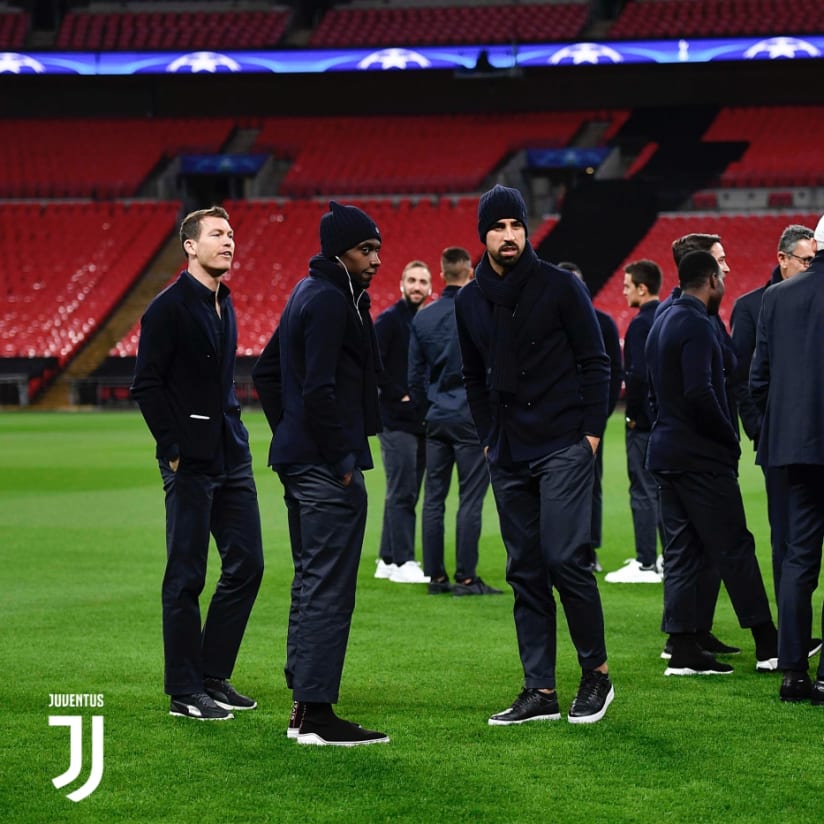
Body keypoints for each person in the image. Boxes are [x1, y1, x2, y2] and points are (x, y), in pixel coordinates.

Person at [455, 185, 614, 725]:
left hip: (564, 443)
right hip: (508, 450)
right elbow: (473, 376)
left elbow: (597, 362)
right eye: (498, 226)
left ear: (528, 231)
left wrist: (590, 436)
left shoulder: (560, 286)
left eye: (516, 226)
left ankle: (597, 675)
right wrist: (487, 437)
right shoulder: (469, 299)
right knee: (524, 568)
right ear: (484, 235)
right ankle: (540, 690)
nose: (508, 235)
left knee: (566, 558)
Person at [252, 201, 389, 746]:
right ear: (340, 252)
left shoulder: (306, 294)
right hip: (326, 468)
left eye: (378, 248)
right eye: (365, 249)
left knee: (312, 581)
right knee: (329, 587)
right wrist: (337, 460)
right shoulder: (331, 301)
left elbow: (266, 372)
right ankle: (315, 715)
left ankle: (303, 707)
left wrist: (292, 435)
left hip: (299, 460)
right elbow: (319, 390)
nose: (376, 259)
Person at [131, 206, 264, 722]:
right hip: (190, 461)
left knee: (248, 564)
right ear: (190, 246)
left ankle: (212, 675)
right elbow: (146, 384)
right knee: (186, 575)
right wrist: (173, 446)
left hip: (232, 453)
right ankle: (185, 691)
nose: (228, 242)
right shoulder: (166, 309)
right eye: (216, 235)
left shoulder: (223, 303)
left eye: (231, 235)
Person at [646, 249, 778, 676]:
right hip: (701, 457)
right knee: (735, 546)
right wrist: (728, 436)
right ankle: (768, 644)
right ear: (711, 281)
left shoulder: (663, 319)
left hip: (666, 452)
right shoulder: (698, 324)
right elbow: (700, 391)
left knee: (684, 550)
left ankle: (683, 646)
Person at [656, 232, 741, 660]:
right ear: (704, 269)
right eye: (720, 261)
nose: (727, 268)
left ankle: (694, 630)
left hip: (686, 446)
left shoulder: (691, 313)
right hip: (695, 450)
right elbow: (699, 390)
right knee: (692, 544)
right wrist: (728, 433)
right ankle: (682, 636)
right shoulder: (687, 317)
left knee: (697, 546)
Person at [750, 216, 824, 704]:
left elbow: (758, 381)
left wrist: (778, 434)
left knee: (797, 561)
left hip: (794, 452)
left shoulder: (776, 296)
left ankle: (793, 672)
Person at [731, 225, 817, 609]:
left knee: (797, 542)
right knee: (786, 538)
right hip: (779, 438)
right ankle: (790, 634)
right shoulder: (752, 306)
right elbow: (744, 379)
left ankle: (794, 643)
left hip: (794, 435)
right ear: (782, 259)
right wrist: (761, 429)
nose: (812, 267)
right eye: (807, 261)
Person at [408, 246, 500, 596]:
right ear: (470, 273)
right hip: (471, 416)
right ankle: (466, 577)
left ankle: (436, 577)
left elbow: (414, 376)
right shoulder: (482, 313)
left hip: (436, 416)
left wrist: (426, 408)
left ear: (442, 274)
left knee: (433, 497)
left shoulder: (423, 317)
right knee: (470, 498)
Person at [557, 261, 622, 573]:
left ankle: (589, 549)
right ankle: (559, 547)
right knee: (554, 483)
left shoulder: (603, 323)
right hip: (556, 418)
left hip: (589, 419)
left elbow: (613, 373)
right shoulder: (549, 326)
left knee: (591, 485)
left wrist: (600, 415)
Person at [604, 259, 663, 584]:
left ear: (642, 288)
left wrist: (634, 418)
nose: (624, 291)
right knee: (663, 491)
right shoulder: (669, 314)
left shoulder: (640, 323)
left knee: (642, 491)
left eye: (628, 286)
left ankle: (645, 563)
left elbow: (638, 375)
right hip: (666, 421)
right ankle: (669, 557)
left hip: (643, 423)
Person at [373, 260, 431, 584]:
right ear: (401, 283)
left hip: (420, 421)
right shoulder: (389, 321)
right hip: (396, 420)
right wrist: (399, 394)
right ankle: (405, 562)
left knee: (402, 491)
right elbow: (374, 364)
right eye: (412, 280)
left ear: (430, 287)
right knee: (403, 491)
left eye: (422, 281)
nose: (417, 286)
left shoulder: (427, 320)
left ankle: (388, 559)